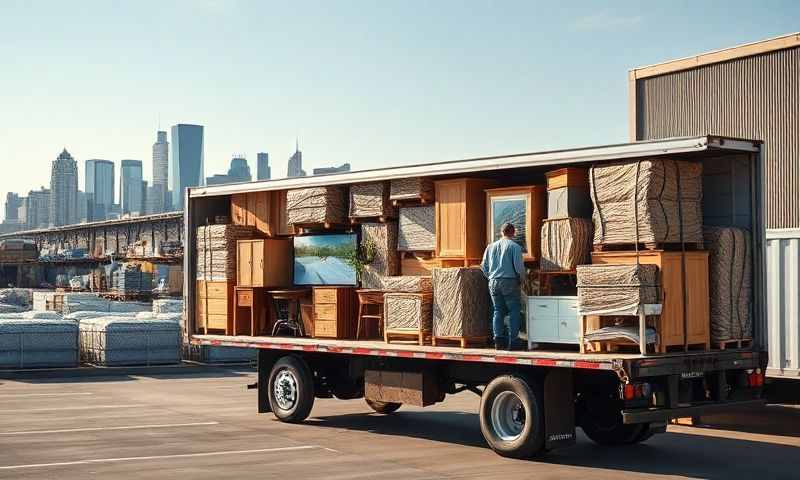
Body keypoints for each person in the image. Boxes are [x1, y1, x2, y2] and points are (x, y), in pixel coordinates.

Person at [480, 222, 525, 350]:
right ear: (513, 233)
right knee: (514, 311)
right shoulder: (515, 247)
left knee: (498, 310)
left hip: (493, 281)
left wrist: (491, 277)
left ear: (501, 232)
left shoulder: (490, 247)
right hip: (509, 281)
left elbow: (483, 266)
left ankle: (498, 341)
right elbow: (519, 268)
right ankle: (513, 342)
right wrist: (522, 279)